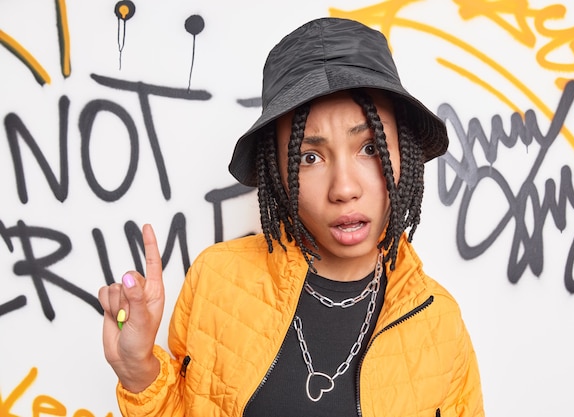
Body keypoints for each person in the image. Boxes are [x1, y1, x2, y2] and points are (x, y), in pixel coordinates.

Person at [98, 17, 484, 417]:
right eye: (310, 157)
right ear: (276, 174)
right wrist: (137, 370)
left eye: (370, 148)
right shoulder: (217, 279)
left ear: (403, 153)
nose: (344, 188)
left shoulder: (438, 320)